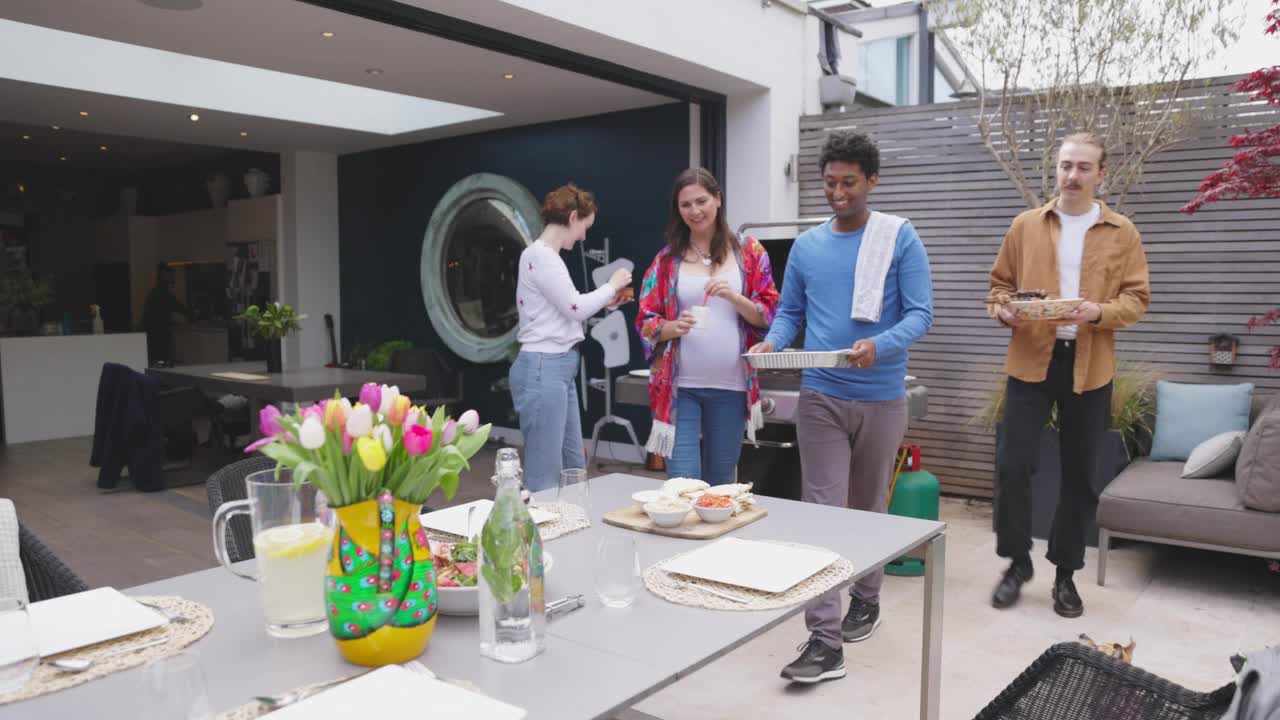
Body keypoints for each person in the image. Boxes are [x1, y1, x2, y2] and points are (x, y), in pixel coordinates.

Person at [749, 131, 934, 684]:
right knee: (821, 513)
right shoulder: (807, 247)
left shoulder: (899, 238)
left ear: (871, 181)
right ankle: (825, 640)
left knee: (868, 506)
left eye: (848, 183)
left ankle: (868, 597)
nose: (837, 193)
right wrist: (772, 344)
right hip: (822, 393)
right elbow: (789, 313)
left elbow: (921, 314)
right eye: (829, 183)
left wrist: (882, 344)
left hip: (880, 396)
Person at [986, 131, 1150, 618]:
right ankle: (1017, 563)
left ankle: (1065, 576)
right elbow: (999, 288)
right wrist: (1006, 312)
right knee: (1014, 465)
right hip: (1030, 359)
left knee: (1079, 475)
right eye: (1065, 166)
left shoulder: (1123, 232)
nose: (1072, 175)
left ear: (1101, 174)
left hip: (1090, 365)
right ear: (1055, 170)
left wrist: (1096, 311)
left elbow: (1137, 299)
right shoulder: (1025, 226)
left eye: (1083, 167)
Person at [635, 168, 779, 485]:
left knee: (722, 481)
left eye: (702, 201)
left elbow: (769, 314)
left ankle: (718, 538)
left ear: (718, 199)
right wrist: (673, 326)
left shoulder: (750, 252)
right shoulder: (666, 260)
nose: (695, 211)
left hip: (732, 386)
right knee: (682, 483)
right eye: (685, 205)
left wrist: (734, 297)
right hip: (678, 388)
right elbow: (645, 319)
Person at [510, 183, 631, 492]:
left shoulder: (540, 256)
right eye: (584, 228)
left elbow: (565, 308)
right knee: (546, 473)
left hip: (554, 366)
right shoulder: (543, 257)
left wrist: (605, 299)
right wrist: (612, 285)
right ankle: (545, 537)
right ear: (573, 216)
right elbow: (576, 307)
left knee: (572, 463)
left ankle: (570, 530)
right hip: (545, 366)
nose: (583, 237)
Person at [139, 263, 192, 366]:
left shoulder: (156, 292)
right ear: (164, 276)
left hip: (152, 334)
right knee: (162, 362)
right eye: (171, 275)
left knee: (157, 362)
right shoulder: (162, 293)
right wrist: (191, 314)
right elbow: (178, 307)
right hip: (158, 335)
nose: (173, 278)